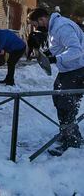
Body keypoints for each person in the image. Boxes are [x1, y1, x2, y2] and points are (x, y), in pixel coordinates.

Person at [28, 8, 84, 156]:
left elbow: (76, 50)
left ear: (42, 19)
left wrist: (55, 59)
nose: (35, 28)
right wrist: (47, 54)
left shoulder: (62, 27)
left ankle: (72, 141)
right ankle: (68, 133)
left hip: (78, 69)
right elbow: (59, 47)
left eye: (35, 24)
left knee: (66, 104)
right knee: (59, 98)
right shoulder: (54, 28)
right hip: (68, 70)